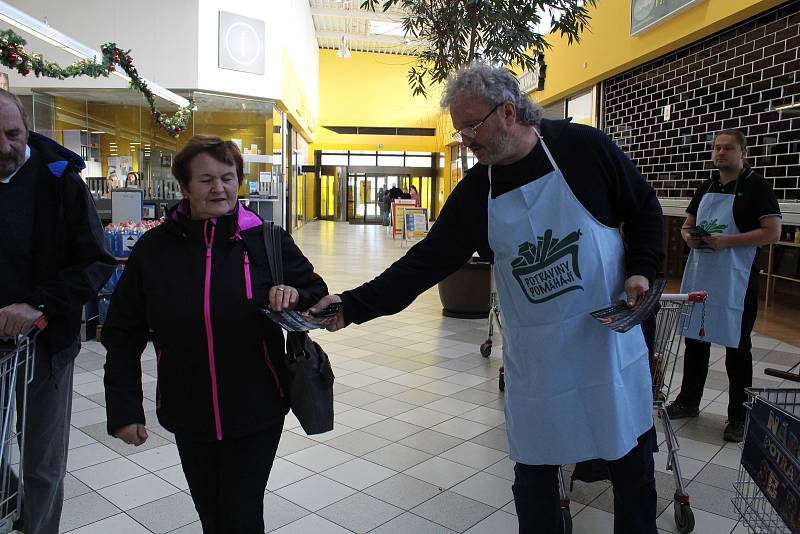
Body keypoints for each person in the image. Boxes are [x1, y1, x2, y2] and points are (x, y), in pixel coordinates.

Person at [311, 63, 664, 533]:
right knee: (534, 476)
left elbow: (644, 210)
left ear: (509, 112)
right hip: (539, 363)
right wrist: (350, 305)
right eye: (461, 131)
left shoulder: (584, 149)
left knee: (631, 468)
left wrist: (642, 269)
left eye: (472, 127)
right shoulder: (479, 190)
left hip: (607, 347)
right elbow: (426, 262)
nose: (466, 140)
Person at [102, 135, 328, 533]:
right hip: (188, 408)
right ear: (185, 187)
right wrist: (124, 409)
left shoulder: (266, 240)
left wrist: (295, 294)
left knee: (239, 516)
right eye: (206, 180)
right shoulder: (154, 250)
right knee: (212, 514)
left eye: (227, 177)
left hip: (258, 405)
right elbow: (122, 332)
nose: (219, 188)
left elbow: (316, 292)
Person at [0, 89, 116, 534]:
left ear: (27, 128)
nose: (4, 146)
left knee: (42, 465)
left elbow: (96, 262)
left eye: (12, 134)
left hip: (44, 347)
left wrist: (38, 304)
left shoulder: (60, 180)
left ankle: (38, 528)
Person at [666, 130, 781, 442]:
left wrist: (727, 241)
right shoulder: (707, 185)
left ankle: (739, 417)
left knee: (737, 347)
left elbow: (772, 231)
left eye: (728, 148)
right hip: (702, 274)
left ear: (743, 152)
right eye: (717, 147)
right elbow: (687, 224)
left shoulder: (756, 186)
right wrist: (689, 236)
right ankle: (688, 400)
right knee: (695, 341)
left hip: (736, 281)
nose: (720, 153)